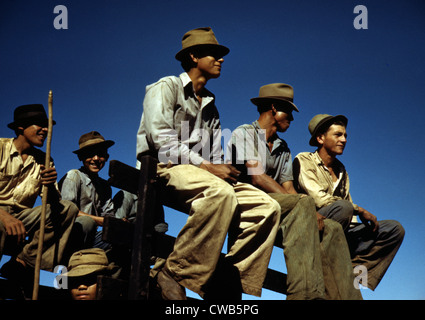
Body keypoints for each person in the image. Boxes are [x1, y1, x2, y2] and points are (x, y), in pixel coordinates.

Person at [136, 27, 281, 300]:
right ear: (194, 56)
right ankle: (175, 271)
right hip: (164, 166)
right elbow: (161, 141)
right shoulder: (165, 87)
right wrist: (207, 167)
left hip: (198, 171)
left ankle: (223, 276)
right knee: (220, 193)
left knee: (267, 207)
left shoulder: (211, 105)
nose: (221, 59)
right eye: (214, 54)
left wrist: (220, 168)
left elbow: (213, 155)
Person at [226, 83, 362, 300]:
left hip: (276, 206)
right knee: (303, 203)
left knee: (334, 229)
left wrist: (310, 211)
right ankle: (304, 295)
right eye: (288, 111)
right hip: (247, 204)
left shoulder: (282, 147)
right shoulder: (244, 133)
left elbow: (288, 187)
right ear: (273, 108)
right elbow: (257, 176)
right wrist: (305, 206)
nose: (291, 117)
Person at [293, 114, 405, 290]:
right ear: (320, 138)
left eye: (345, 136)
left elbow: (347, 206)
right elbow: (319, 199)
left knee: (393, 229)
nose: (344, 140)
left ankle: (352, 275)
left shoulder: (341, 170)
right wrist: (358, 209)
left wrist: (358, 224)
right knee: (344, 208)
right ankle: (330, 271)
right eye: (338, 135)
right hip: (312, 226)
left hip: (340, 229)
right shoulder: (304, 159)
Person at [0, 104, 79, 291]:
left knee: (69, 209)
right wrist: (4, 216)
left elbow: (53, 204)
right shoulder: (1, 148)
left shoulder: (45, 160)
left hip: (23, 218)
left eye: (47, 126)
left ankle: (24, 264)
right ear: (21, 128)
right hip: (1, 216)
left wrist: (50, 185)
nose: (45, 130)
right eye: (39, 125)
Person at [59, 131, 116, 251]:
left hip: (90, 238)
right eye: (90, 154)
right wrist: (101, 221)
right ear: (81, 157)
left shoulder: (104, 186)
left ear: (106, 157)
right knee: (86, 222)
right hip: (69, 236)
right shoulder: (73, 176)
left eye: (100, 154)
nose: (95, 159)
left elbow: (109, 216)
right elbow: (68, 212)